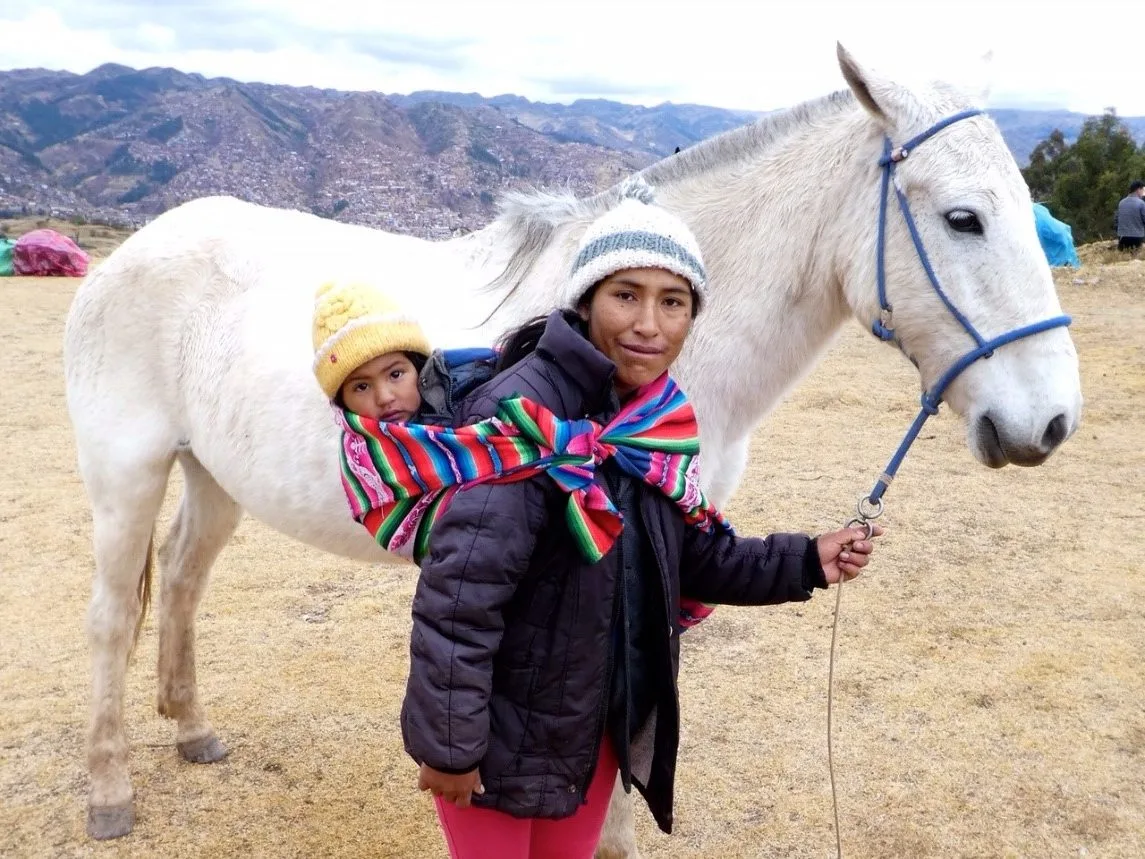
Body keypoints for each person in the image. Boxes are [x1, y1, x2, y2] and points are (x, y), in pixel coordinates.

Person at [400, 190, 884, 859]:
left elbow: (690, 556)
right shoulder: (520, 414)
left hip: (594, 728)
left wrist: (805, 560)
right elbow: (460, 598)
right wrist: (450, 746)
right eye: (626, 295)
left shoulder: (653, 420)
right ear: (586, 301)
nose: (649, 324)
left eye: (672, 301)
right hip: (499, 737)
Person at [1115, 180, 1145, 253]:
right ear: (1138, 190)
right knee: (1135, 257)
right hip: (1137, 237)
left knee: (1123, 257)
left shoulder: (1121, 203)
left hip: (1122, 237)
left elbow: (1116, 219)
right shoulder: (1141, 203)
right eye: (1143, 190)